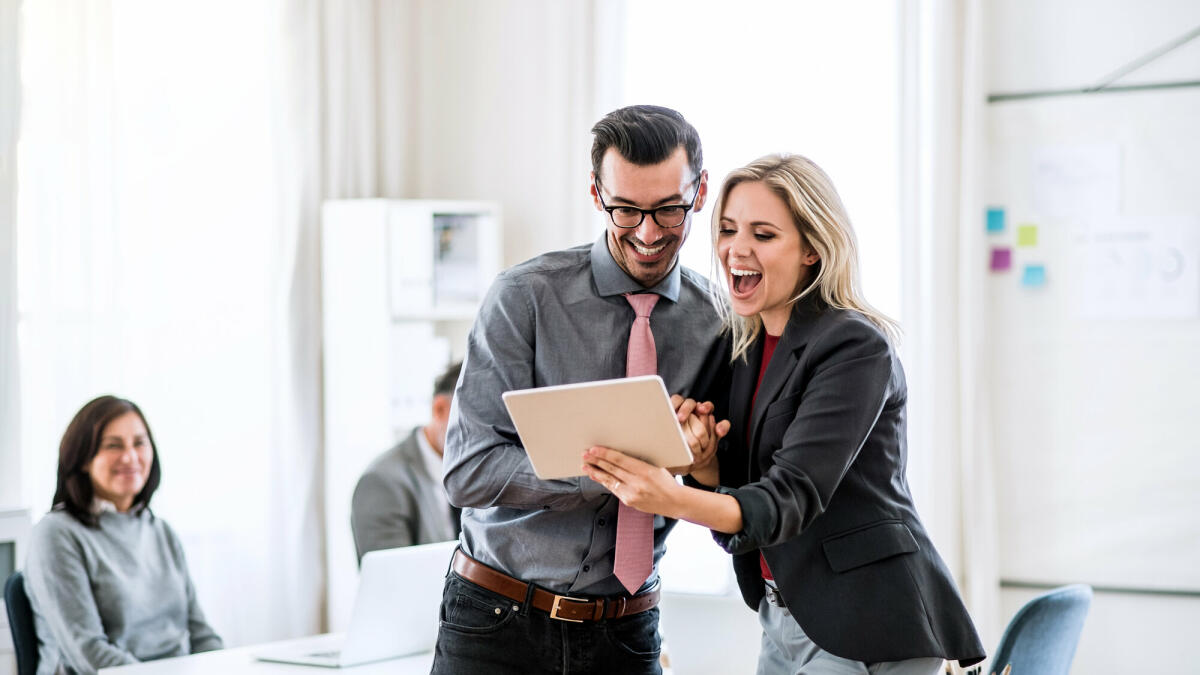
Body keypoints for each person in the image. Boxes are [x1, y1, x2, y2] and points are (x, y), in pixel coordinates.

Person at [583, 154, 986, 674]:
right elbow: (740, 482)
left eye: (764, 234)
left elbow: (791, 496)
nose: (736, 248)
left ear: (813, 250)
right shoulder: (743, 343)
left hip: (867, 619)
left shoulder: (854, 347)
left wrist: (670, 497)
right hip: (783, 612)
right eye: (727, 229)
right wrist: (703, 462)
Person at [433, 104, 728, 675]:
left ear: (700, 191)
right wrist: (604, 471)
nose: (648, 233)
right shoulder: (524, 298)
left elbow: (723, 482)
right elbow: (465, 471)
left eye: (669, 209)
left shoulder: (718, 321)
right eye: (626, 210)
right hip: (496, 621)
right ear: (597, 195)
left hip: (629, 629)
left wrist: (703, 457)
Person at [23, 395, 223, 675]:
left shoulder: (161, 531)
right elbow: (88, 654)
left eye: (139, 443)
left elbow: (201, 635)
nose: (130, 457)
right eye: (113, 446)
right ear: (82, 458)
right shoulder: (56, 534)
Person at [350, 361, 463, 563]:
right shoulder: (382, 482)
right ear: (439, 409)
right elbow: (390, 582)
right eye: (476, 419)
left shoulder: (474, 475)